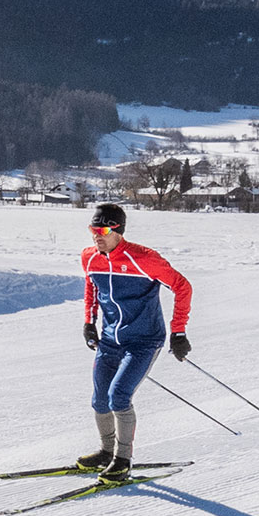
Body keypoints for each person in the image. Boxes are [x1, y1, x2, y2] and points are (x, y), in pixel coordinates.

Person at [80, 202, 192, 481]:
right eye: (93, 229)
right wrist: (89, 322)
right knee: (100, 400)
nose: (96, 236)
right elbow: (92, 285)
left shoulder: (144, 258)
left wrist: (178, 332)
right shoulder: (89, 258)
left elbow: (182, 287)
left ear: (118, 231)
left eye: (103, 230)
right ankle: (106, 452)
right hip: (110, 340)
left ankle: (122, 460)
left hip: (144, 340)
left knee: (119, 396)